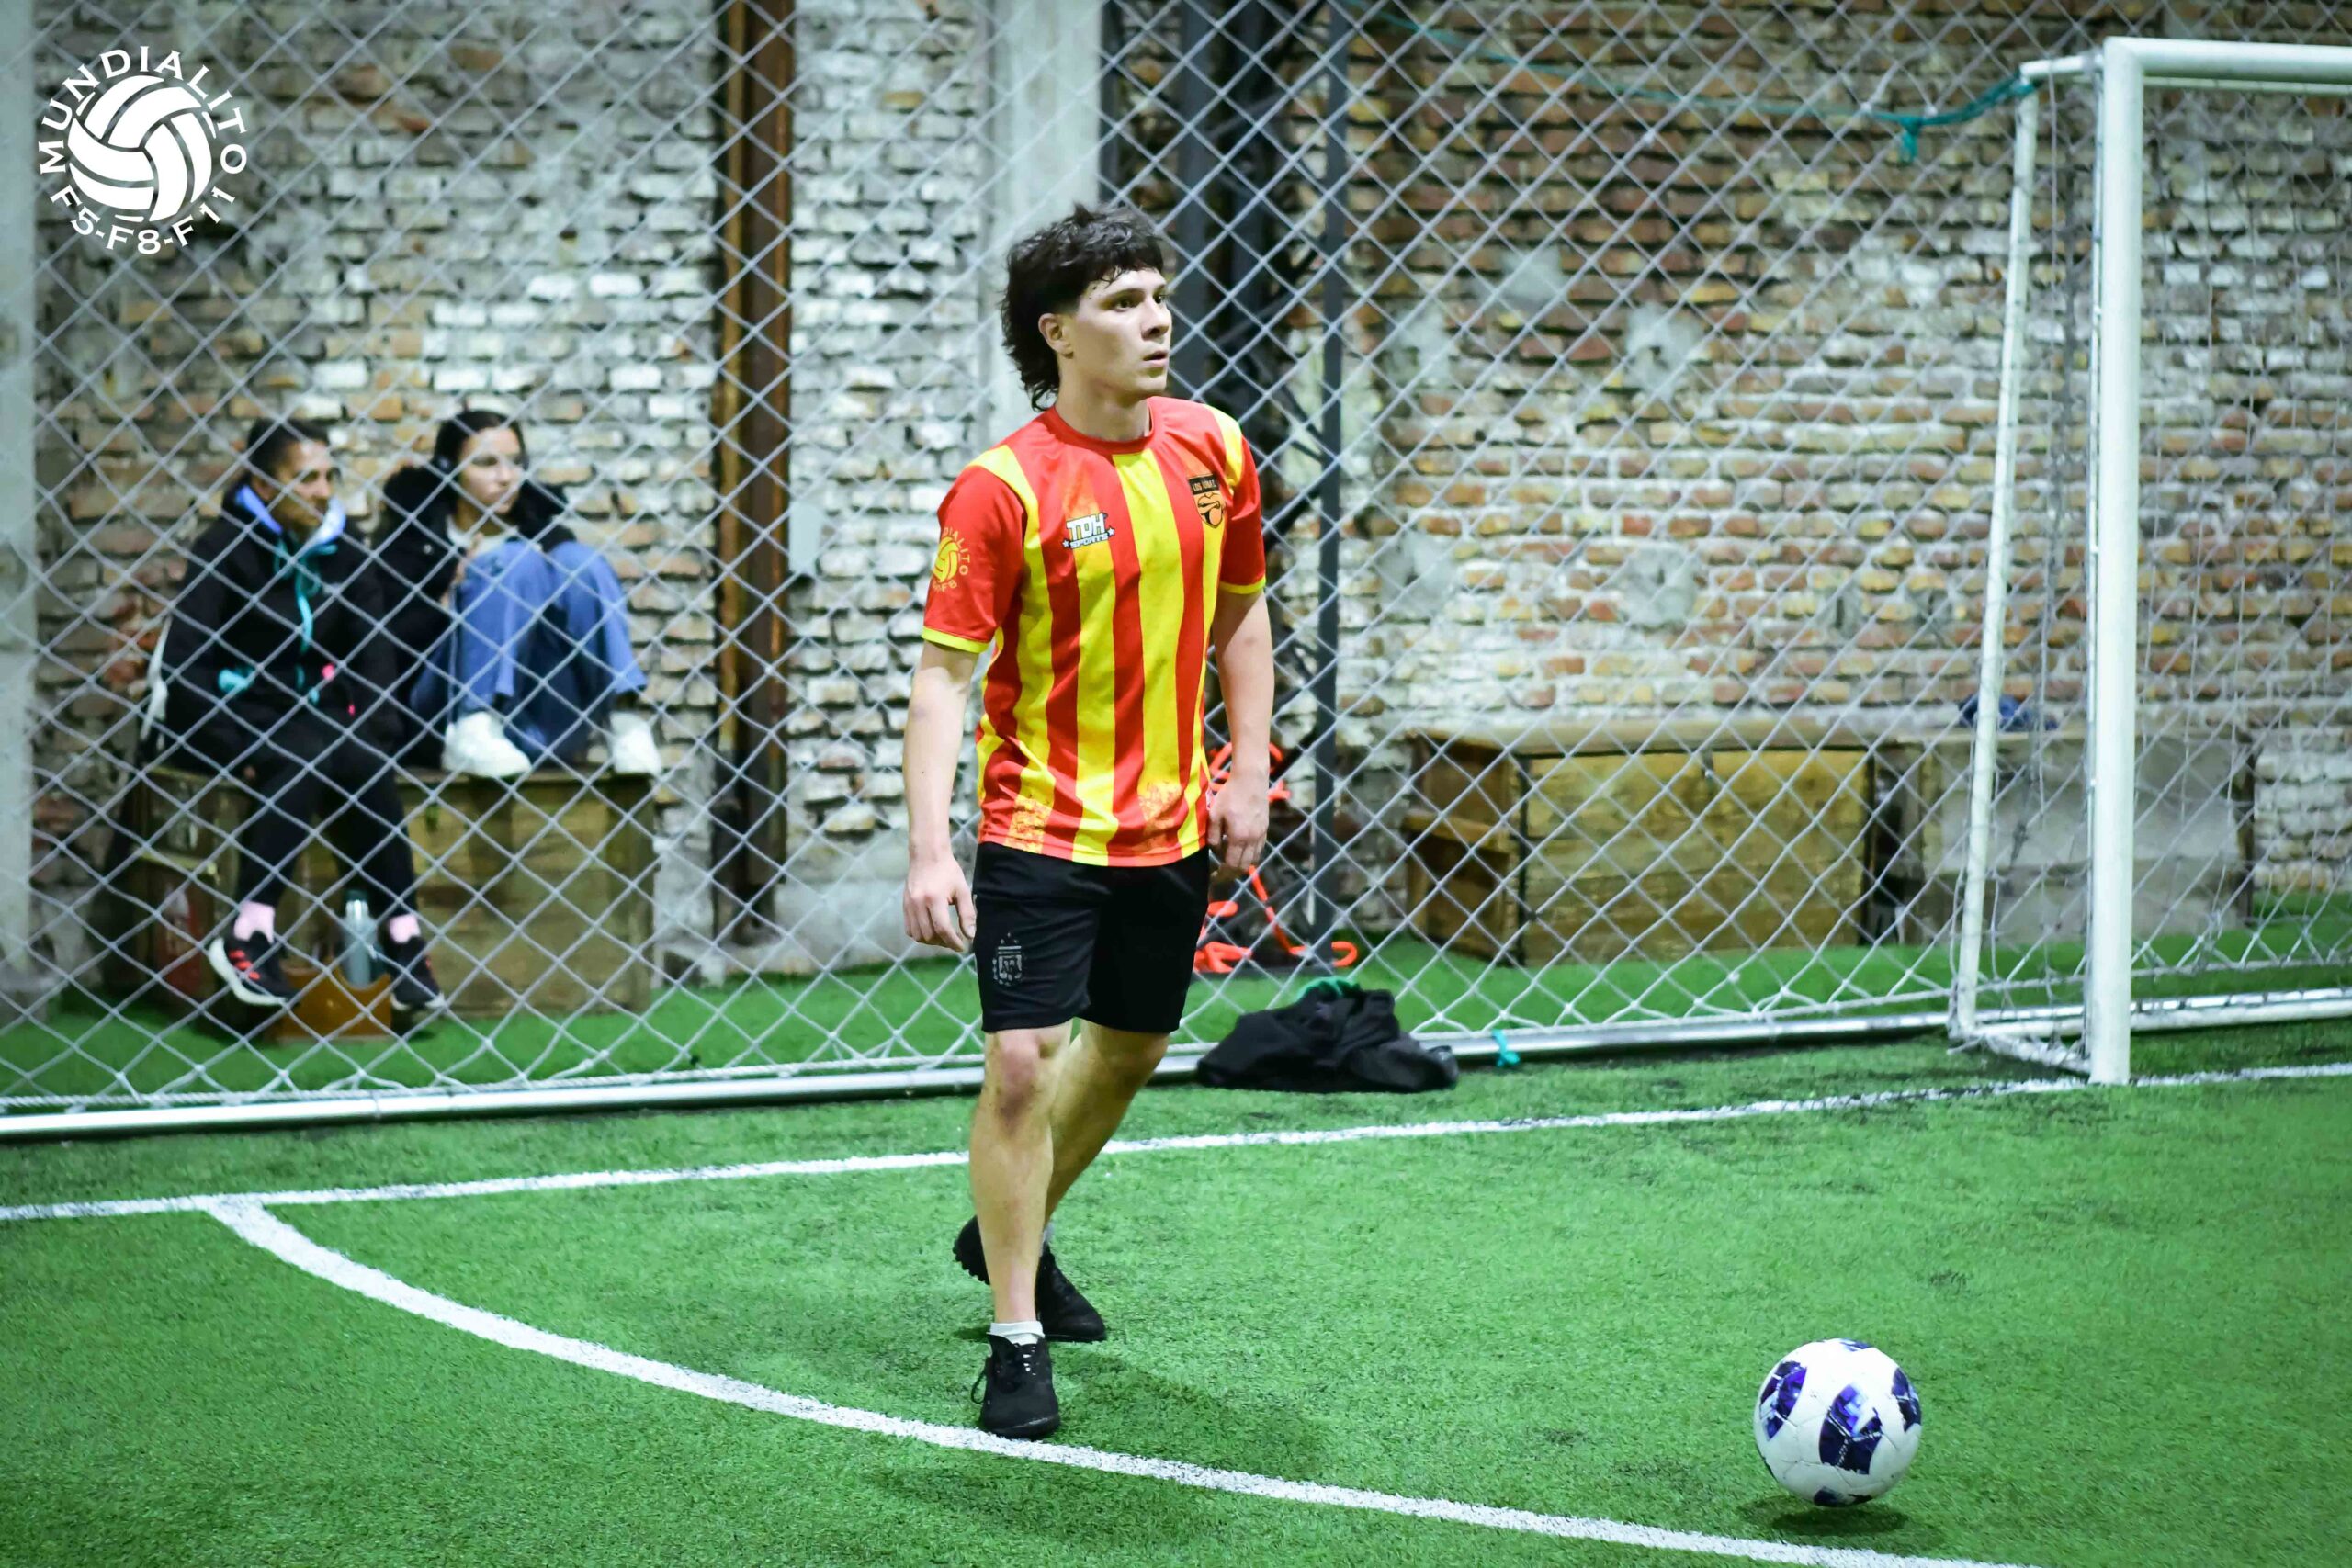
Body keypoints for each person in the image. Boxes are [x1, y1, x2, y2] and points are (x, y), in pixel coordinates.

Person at [901, 205, 1274, 1440]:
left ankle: (1007, 1226)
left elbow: (1243, 615)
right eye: (1122, 302)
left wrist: (1246, 773)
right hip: (1040, 829)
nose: (1156, 319)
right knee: (1023, 1065)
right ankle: (1017, 1337)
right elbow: (944, 678)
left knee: (1129, 1051)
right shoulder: (1001, 488)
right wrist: (930, 848)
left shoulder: (1216, 449)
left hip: (1171, 826)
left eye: (1159, 295)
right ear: (1056, 333)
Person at [153, 415, 445, 1018]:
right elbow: (184, 667)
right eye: (305, 478)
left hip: (316, 715)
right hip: (236, 712)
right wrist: (235, 745)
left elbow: (374, 655)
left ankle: (403, 939)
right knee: (304, 754)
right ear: (263, 486)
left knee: (364, 761)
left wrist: (374, 732)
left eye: (329, 476)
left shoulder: (346, 547)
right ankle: (248, 933)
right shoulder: (223, 548)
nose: (323, 491)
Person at [374, 409, 660, 778]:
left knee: (579, 561)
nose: (506, 477)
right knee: (512, 561)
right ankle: (477, 723)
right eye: (486, 463)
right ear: (449, 470)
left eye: (515, 463)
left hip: (542, 712)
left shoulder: (546, 535)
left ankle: (622, 716)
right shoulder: (413, 543)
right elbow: (386, 650)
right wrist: (449, 599)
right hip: (446, 713)